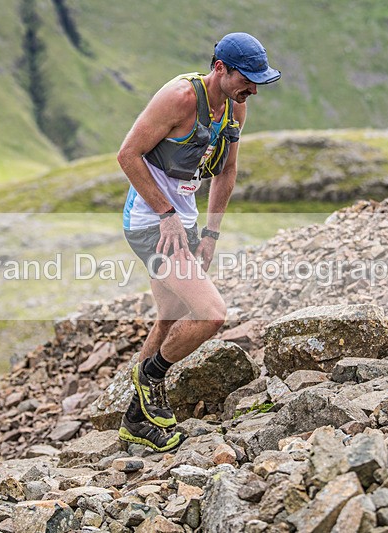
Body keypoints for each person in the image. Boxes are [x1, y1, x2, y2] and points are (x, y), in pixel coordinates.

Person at [117, 32, 281, 451]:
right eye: (248, 77)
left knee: (169, 315)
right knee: (211, 314)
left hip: (184, 224)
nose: (254, 88)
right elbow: (128, 155)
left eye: (260, 80)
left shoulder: (236, 109)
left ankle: (136, 421)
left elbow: (226, 171)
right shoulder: (180, 98)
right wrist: (166, 214)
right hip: (150, 223)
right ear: (220, 68)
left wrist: (209, 232)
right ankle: (150, 378)